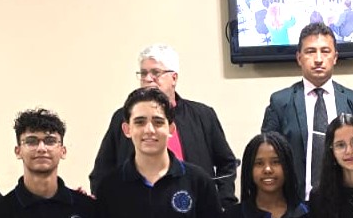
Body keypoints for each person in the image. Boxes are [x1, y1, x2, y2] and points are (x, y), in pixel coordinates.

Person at [89, 44, 240, 204]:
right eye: (143, 73)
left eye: (156, 73)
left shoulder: (203, 115)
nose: (148, 79)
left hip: (194, 210)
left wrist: (223, 202)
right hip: (137, 211)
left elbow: (227, 164)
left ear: (174, 78)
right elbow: (101, 172)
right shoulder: (123, 117)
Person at [96, 87, 222, 218]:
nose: (149, 130)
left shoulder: (198, 181)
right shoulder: (110, 186)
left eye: (158, 122)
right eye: (140, 122)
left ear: (171, 129)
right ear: (127, 129)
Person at [261, 23, 353, 196]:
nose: (318, 59)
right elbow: (266, 158)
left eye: (325, 51)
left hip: (344, 204)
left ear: (335, 57)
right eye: (310, 52)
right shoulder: (280, 103)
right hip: (295, 205)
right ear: (299, 58)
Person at [219, 133, 311, 218]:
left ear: (287, 166)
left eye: (276, 162)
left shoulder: (307, 213)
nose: (267, 169)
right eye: (259, 163)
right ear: (249, 169)